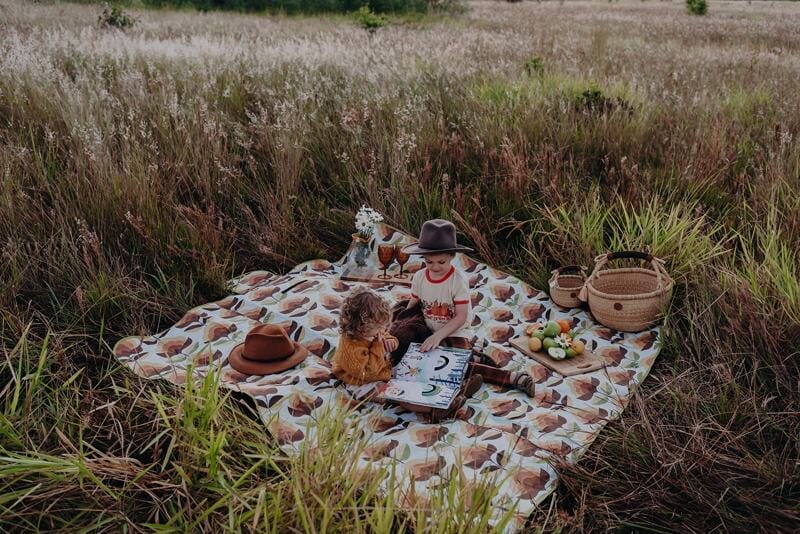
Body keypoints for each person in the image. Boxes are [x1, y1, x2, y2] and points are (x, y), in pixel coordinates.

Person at [390, 219, 537, 397]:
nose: (435, 267)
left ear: (452, 256)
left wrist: (439, 336)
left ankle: (513, 378)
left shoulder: (457, 280)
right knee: (425, 362)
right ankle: (474, 358)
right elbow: (413, 304)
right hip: (428, 331)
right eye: (429, 262)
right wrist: (401, 325)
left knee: (452, 363)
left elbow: (461, 317)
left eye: (441, 262)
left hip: (455, 329)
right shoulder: (420, 277)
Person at [332, 286, 481, 422]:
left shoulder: (373, 332)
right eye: (378, 329)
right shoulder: (350, 347)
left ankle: (452, 390)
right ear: (360, 328)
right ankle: (437, 409)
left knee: (415, 372)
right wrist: (378, 346)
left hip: (383, 369)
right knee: (400, 394)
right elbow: (368, 373)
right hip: (362, 383)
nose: (381, 332)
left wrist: (391, 341)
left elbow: (386, 337)